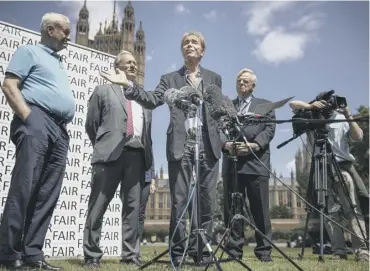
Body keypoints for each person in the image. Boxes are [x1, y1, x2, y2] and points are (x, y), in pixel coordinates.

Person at [100, 31, 223, 265]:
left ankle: (203, 253)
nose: (189, 45)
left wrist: (224, 138)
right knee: (179, 201)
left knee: (207, 201)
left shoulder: (214, 78)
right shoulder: (169, 79)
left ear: (202, 51)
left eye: (193, 42)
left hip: (208, 146)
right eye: (185, 43)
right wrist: (128, 85)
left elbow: (217, 111)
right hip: (181, 145)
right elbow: (153, 99)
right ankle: (177, 253)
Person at [0, 13, 74, 270]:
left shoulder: (58, 62)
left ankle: (33, 254)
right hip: (37, 121)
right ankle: (9, 255)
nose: (69, 34)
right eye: (65, 30)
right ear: (50, 29)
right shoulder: (29, 51)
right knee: (24, 187)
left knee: (46, 194)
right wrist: (29, 117)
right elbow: (10, 84)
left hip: (59, 129)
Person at [83, 50, 154, 268]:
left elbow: (147, 134)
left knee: (132, 210)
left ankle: (130, 255)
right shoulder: (103, 91)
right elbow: (91, 124)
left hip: (137, 156)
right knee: (98, 206)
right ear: (117, 67)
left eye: (134, 63)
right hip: (109, 156)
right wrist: (105, 145)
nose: (133, 66)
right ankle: (92, 255)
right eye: (127, 63)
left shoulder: (142, 96)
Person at [289, 96, 369, 261]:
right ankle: (339, 251)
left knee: (352, 207)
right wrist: (310, 106)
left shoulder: (341, 118)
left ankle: (362, 250)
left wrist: (347, 113)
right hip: (322, 168)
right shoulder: (312, 117)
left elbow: (358, 136)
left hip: (342, 166)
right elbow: (293, 104)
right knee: (328, 210)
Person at [221, 69, 276, 262]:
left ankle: (264, 252)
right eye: (239, 80)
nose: (241, 83)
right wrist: (225, 144)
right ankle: (234, 252)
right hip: (232, 165)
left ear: (253, 85)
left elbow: (269, 129)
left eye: (245, 81)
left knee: (260, 210)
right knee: (233, 211)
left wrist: (254, 145)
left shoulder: (264, 105)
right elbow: (218, 128)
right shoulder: (227, 105)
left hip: (256, 164)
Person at [138, 162, 156, 249]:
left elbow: (151, 163)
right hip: (133, 178)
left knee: (141, 214)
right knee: (132, 212)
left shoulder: (149, 147)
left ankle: (137, 243)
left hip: (146, 180)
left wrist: (153, 183)